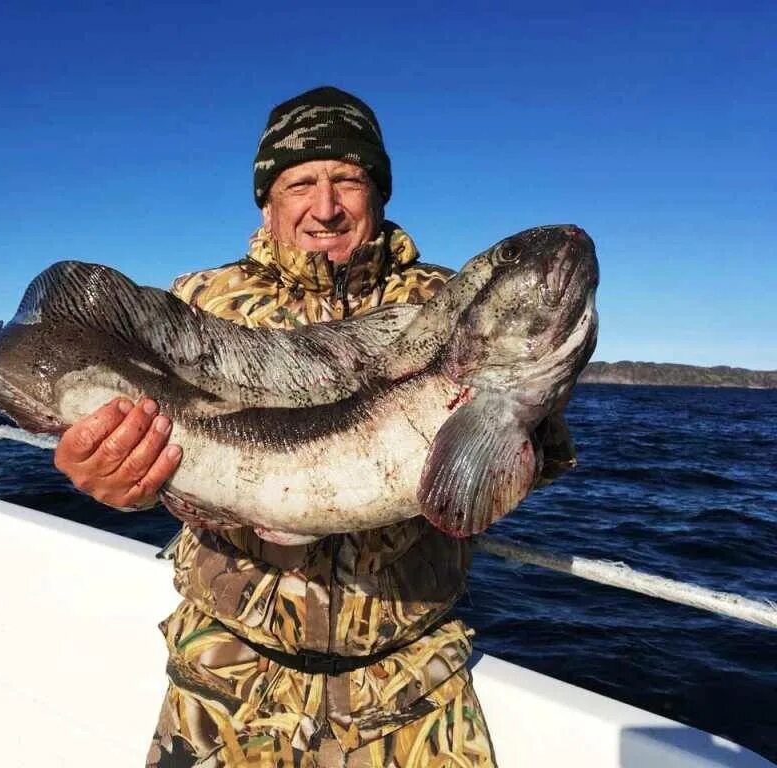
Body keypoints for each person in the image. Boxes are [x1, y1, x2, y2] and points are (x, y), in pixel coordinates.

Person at [55, 86, 545, 767]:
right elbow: (154, 466)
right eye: (300, 183)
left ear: (379, 192)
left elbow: (529, 461)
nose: (325, 206)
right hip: (227, 680)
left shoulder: (450, 305)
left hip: (410, 685)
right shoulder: (196, 304)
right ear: (267, 199)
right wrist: (113, 479)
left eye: (348, 179)